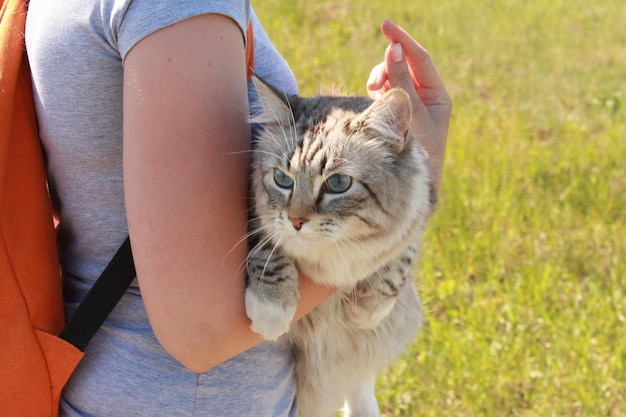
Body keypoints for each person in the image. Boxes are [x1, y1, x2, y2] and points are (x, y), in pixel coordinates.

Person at [25, 0, 451, 415]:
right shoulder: (178, 8)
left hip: (105, 382)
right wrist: (415, 186)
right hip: (192, 401)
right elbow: (202, 331)